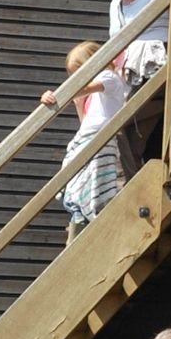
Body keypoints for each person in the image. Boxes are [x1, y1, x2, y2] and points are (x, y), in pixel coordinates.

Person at [92, 0, 171, 166]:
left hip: (155, 68)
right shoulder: (116, 3)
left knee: (121, 126)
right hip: (127, 74)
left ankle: (125, 186)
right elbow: (115, 45)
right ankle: (128, 189)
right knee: (127, 136)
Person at [56, 37, 126, 235]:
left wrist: (61, 94)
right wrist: (79, 104)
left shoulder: (109, 77)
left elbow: (83, 88)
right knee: (76, 177)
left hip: (101, 139)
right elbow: (85, 123)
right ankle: (79, 210)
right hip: (89, 137)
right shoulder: (92, 96)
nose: (77, 78)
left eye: (79, 72)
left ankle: (89, 212)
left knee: (97, 180)